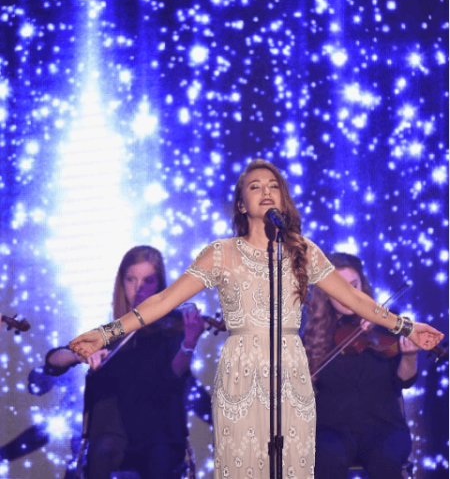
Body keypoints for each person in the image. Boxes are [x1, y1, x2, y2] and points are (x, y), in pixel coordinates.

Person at [69, 159, 443, 479]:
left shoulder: (302, 250)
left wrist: (406, 327)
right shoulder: (220, 254)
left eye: (273, 186)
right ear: (241, 202)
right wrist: (106, 334)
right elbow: (164, 300)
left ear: (283, 198)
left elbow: (355, 299)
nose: (265, 191)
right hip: (241, 370)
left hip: (289, 368)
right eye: (254, 186)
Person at [46, 246, 205, 479]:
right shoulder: (113, 331)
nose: (138, 288)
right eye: (131, 279)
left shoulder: (172, 329)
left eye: (148, 280)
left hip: (157, 435)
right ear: (122, 283)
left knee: (160, 458)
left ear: (160, 286)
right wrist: (79, 355)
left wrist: (189, 343)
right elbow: (53, 360)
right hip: (111, 436)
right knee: (102, 451)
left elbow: (175, 375)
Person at [303, 253, 419, 479]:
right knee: (326, 462)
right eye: (338, 288)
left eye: (353, 286)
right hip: (332, 428)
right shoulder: (314, 334)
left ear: (362, 286)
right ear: (326, 294)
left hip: (384, 427)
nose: (347, 295)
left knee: (385, 464)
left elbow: (404, 381)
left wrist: (409, 356)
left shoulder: (388, 323)